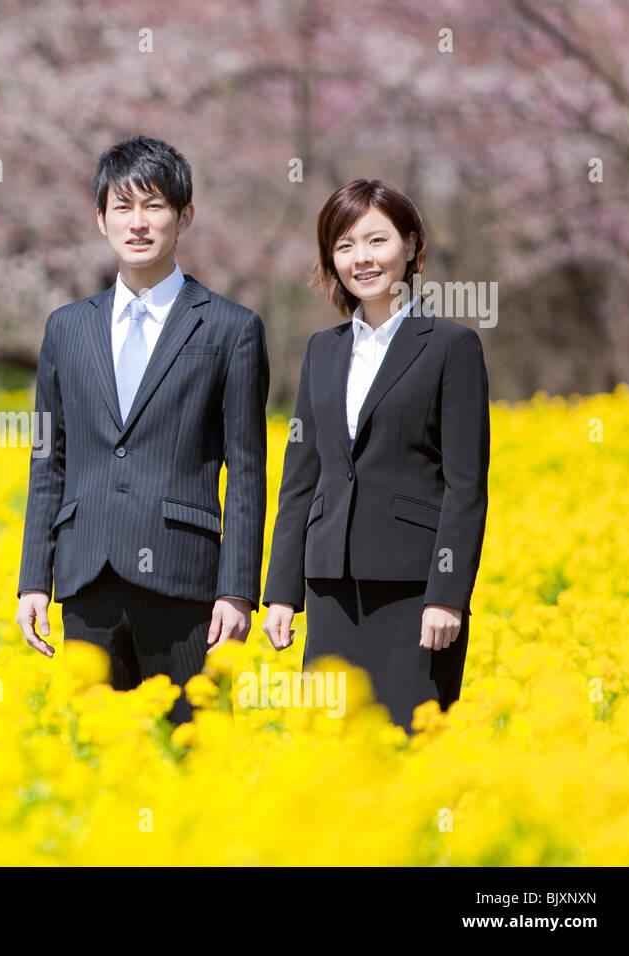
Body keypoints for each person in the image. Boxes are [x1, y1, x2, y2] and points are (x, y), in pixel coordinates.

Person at [15, 135, 269, 727]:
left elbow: (248, 470)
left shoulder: (232, 329)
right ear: (100, 218)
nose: (138, 223)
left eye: (153, 205)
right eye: (122, 207)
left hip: (186, 584)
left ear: (184, 216)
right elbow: (47, 460)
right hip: (86, 581)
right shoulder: (66, 328)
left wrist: (237, 591)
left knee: (194, 753)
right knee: (97, 760)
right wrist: (33, 580)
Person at [261, 179, 490, 733]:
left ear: (411, 246)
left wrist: (447, 595)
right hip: (330, 588)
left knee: (410, 749)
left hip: (414, 594)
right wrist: (282, 593)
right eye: (343, 245)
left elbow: (466, 486)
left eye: (376, 241)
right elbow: (300, 479)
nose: (360, 258)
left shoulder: (450, 346)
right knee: (334, 755)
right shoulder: (321, 350)